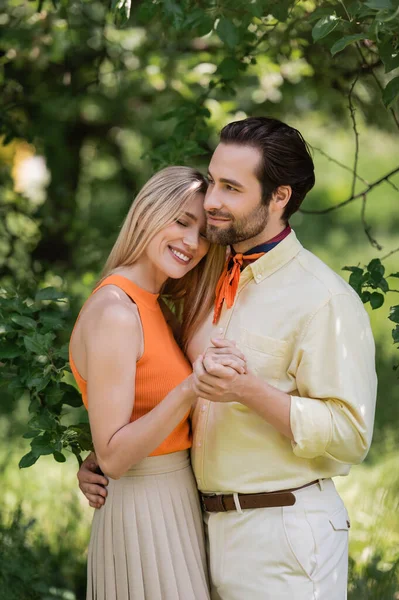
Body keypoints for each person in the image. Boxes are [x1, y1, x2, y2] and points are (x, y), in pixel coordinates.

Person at [78, 118, 377, 600]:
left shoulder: (322, 299)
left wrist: (249, 391)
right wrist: (114, 455)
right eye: (213, 180)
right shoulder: (200, 279)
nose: (212, 200)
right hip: (196, 530)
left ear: (279, 197)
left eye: (231, 188)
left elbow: (352, 436)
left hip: (281, 535)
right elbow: (159, 385)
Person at [69, 165, 247, 600]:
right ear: (148, 213)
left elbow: (124, 426)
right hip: (143, 512)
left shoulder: (157, 306)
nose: (191, 243)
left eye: (204, 233)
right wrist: (190, 389)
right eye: (182, 222)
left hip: (175, 501)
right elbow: (113, 458)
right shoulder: (116, 311)